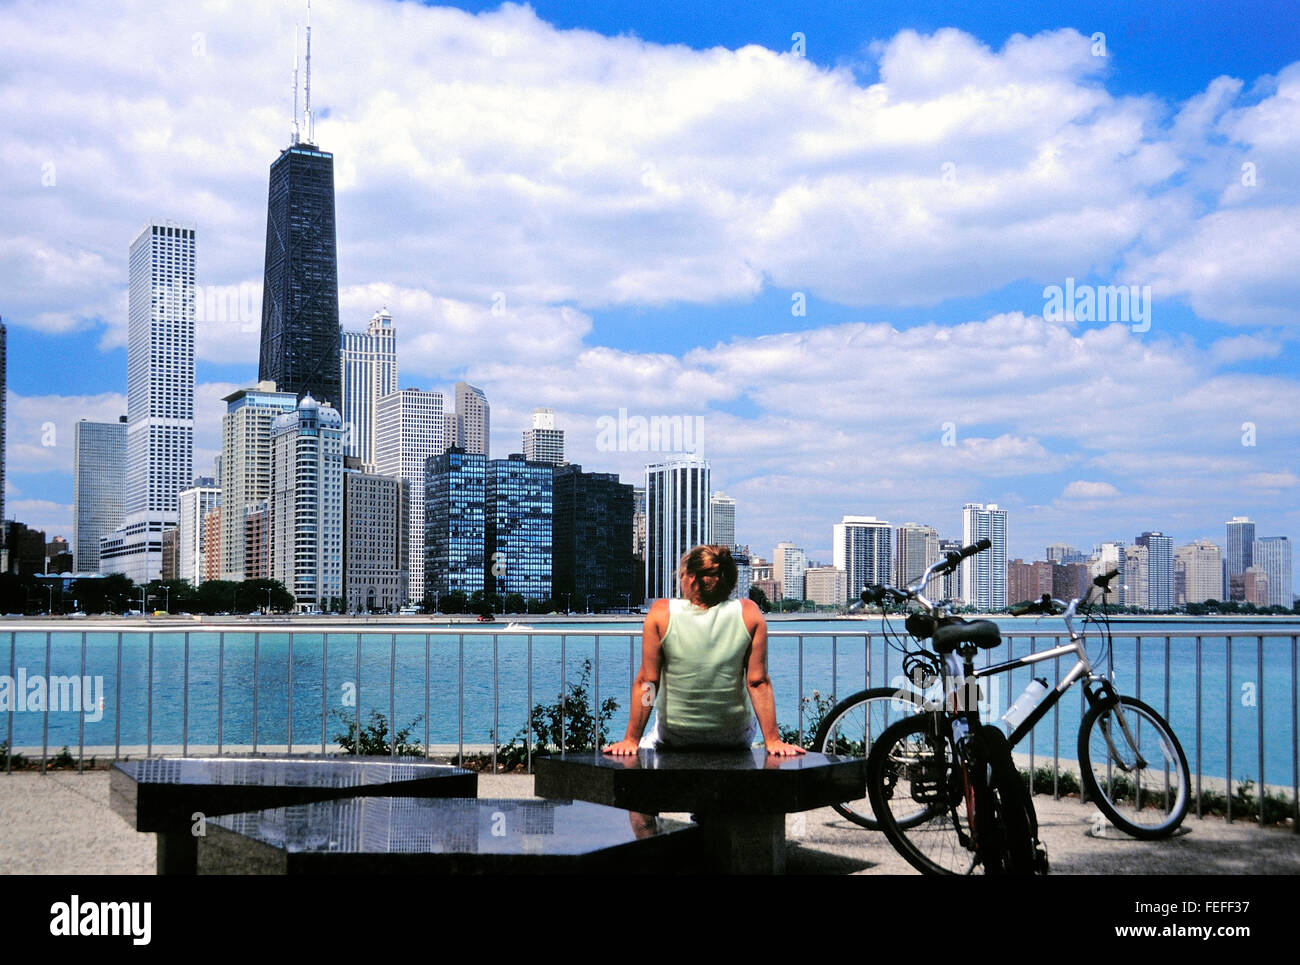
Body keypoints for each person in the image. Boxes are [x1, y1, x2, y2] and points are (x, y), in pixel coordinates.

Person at [603, 544, 806, 756]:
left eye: (681, 575)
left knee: (648, 747)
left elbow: (649, 683)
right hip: (734, 735)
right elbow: (757, 683)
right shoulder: (749, 613)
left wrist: (631, 740)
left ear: (691, 578)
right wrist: (773, 741)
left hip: (676, 733)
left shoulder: (661, 614)